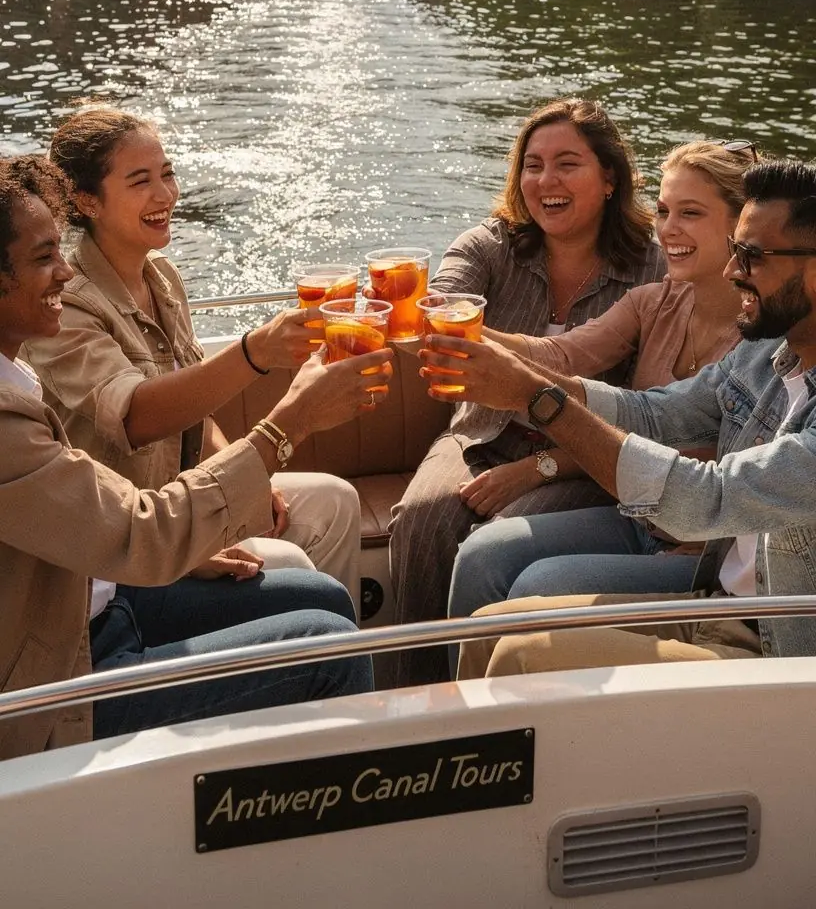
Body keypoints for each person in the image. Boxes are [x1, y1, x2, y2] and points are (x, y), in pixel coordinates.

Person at [0, 156, 392, 761]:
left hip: (98, 602)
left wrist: (191, 547)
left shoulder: (21, 374)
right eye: (43, 258)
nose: (62, 273)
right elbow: (137, 521)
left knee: (326, 599)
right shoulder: (6, 420)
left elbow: (85, 522)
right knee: (330, 647)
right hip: (58, 680)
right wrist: (288, 422)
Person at [422, 158, 816, 680]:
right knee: (490, 628)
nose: (731, 270)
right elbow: (655, 413)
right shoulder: (764, 356)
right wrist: (523, 381)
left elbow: (705, 500)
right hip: (717, 603)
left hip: (779, 654)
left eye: (751, 256)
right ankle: (463, 757)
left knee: (524, 656)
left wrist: (538, 398)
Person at [27, 105, 362, 607]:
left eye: (167, 174)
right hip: (127, 540)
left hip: (183, 498)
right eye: (140, 181)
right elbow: (136, 415)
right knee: (292, 568)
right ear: (86, 200)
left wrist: (247, 473)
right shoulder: (66, 304)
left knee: (337, 501)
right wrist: (254, 353)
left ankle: (320, 674)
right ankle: (305, 655)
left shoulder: (162, 278)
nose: (166, 195)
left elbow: (194, 413)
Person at [388, 99, 665, 685]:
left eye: (567, 164)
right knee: (421, 518)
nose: (546, 182)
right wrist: (417, 311)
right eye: (533, 165)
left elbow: (653, 414)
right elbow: (440, 307)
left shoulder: (653, 271)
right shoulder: (490, 245)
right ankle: (414, 697)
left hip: (584, 456)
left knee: (498, 537)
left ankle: (491, 700)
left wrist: (542, 465)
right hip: (479, 434)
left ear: (610, 177)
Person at [446, 140, 752, 626]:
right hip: (641, 518)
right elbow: (562, 355)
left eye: (690, 213)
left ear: (742, 226)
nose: (669, 229)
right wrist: (455, 326)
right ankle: (455, 699)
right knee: (482, 555)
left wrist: (538, 426)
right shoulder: (654, 301)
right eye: (664, 211)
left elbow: (711, 464)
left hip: (710, 549)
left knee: (536, 586)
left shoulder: (767, 338)